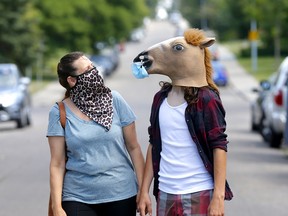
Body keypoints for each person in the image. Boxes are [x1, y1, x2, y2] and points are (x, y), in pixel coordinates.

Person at [47, 51, 145, 216]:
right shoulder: (59, 112)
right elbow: (57, 163)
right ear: (72, 80)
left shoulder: (115, 100)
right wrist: (57, 207)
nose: (95, 71)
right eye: (88, 69)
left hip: (121, 193)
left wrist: (143, 192)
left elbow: (134, 148)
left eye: (93, 66)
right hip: (77, 196)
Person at [138, 82, 233, 216]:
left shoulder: (206, 97)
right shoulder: (159, 98)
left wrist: (218, 196)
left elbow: (219, 145)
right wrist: (144, 191)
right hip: (166, 192)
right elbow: (154, 144)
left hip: (199, 191)